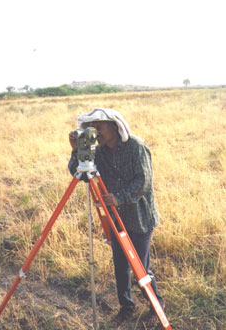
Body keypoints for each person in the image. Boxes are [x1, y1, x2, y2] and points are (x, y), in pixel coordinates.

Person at [68, 108, 164, 326]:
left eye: (99, 126)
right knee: (120, 265)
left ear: (113, 126)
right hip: (115, 217)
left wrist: (119, 198)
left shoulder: (136, 146)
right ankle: (126, 307)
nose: (96, 132)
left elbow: (144, 182)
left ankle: (156, 304)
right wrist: (77, 151)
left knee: (141, 266)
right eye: (91, 128)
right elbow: (80, 174)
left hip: (139, 216)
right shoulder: (98, 151)